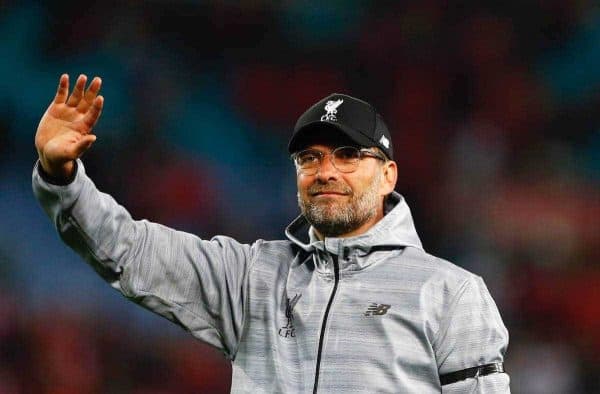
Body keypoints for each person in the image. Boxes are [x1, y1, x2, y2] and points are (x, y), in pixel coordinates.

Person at [33, 74, 510, 393]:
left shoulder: (452, 293)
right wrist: (62, 176)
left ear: (387, 176)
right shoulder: (252, 277)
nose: (325, 171)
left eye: (347, 155)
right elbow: (128, 249)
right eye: (310, 158)